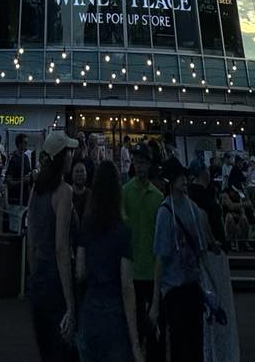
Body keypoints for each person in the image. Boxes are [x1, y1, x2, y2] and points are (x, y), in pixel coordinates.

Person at [75, 159, 143, 362]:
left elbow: (79, 272)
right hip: (114, 310)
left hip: (90, 308)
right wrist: (136, 344)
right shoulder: (123, 230)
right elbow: (127, 287)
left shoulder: (86, 224)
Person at [150, 158, 208, 362]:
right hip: (174, 289)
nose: (184, 180)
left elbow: (201, 250)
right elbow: (160, 258)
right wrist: (156, 301)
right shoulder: (165, 213)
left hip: (193, 284)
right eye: (179, 177)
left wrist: (210, 285)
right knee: (179, 345)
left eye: (184, 176)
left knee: (196, 343)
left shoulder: (193, 209)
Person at [27, 130, 77, 360]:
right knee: (64, 349)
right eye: (69, 152)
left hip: (38, 279)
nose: (72, 156)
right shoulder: (64, 192)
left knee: (46, 350)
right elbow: (61, 248)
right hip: (57, 282)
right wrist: (70, 302)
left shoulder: (36, 190)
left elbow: (31, 238)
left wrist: (32, 274)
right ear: (61, 156)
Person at [188, 165, 239, 362]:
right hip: (212, 253)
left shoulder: (193, 195)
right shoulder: (201, 197)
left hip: (206, 252)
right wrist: (212, 240)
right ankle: (216, 349)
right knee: (215, 297)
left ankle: (212, 347)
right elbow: (203, 218)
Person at [122, 146, 164, 362]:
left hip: (152, 268)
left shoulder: (158, 197)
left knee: (155, 324)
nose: (140, 167)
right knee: (135, 321)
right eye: (137, 162)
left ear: (149, 165)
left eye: (143, 163)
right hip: (133, 267)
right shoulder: (126, 191)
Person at [70, 158, 92, 228]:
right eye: (77, 171)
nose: (79, 174)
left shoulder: (90, 194)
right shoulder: (67, 194)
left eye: (82, 171)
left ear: (86, 174)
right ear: (72, 174)